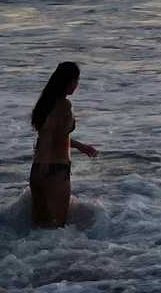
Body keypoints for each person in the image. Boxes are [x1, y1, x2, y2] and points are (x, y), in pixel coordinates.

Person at [29, 60, 98, 228]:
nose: (76, 85)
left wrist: (81, 146)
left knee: (40, 229)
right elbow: (47, 136)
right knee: (56, 228)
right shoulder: (64, 105)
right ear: (67, 82)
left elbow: (55, 136)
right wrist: (46, 169)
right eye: (75, 80)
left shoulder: (45, 104)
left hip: (37, 169)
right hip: (55, 171)